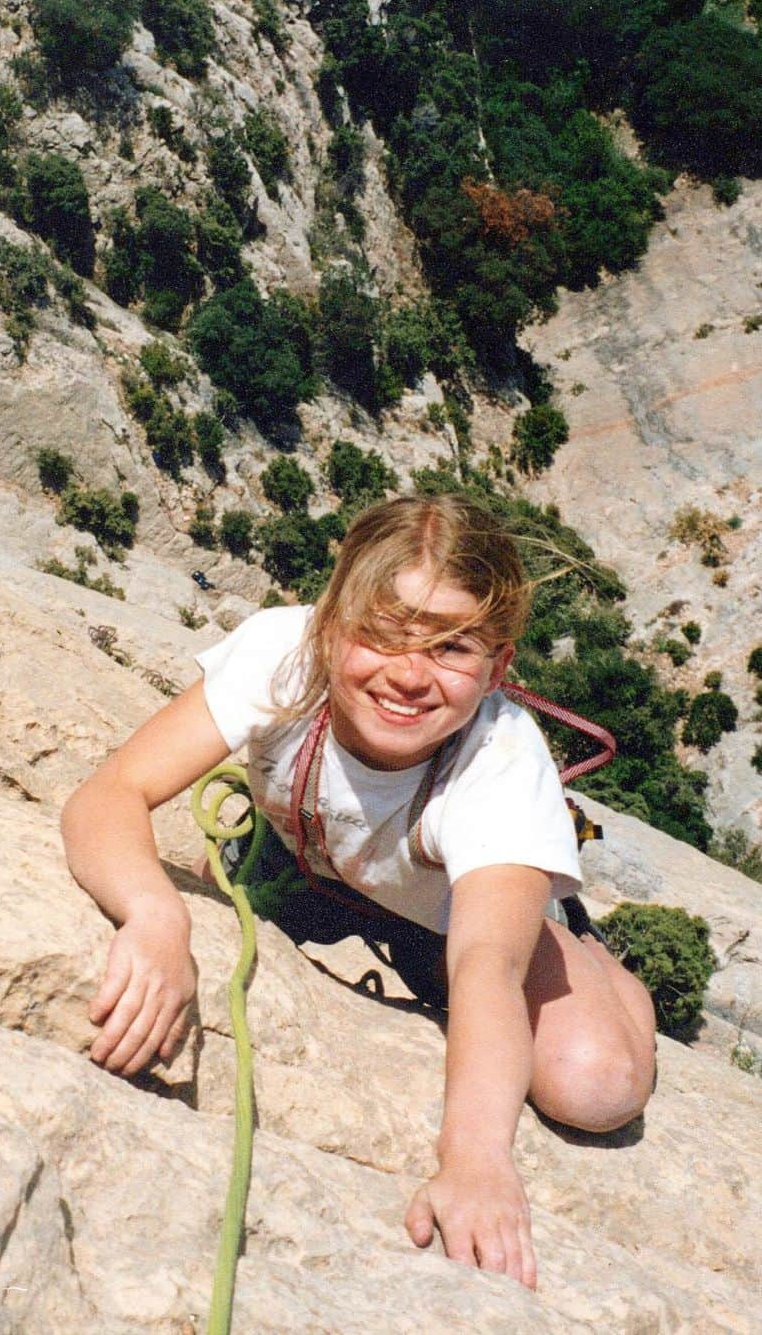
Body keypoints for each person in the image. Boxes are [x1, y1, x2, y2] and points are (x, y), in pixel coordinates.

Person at [61, 493, 656, 1291]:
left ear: (499, 669)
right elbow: (111, 793)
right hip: (304, 854)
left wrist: (474, 1160)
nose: (409, 675)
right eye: (382, 633)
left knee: (598, 1083)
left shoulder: (501, 762)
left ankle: (593, 956)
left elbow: (485, 964)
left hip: (444, 920)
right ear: (331, 622)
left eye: (452, 648)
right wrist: (154, 916)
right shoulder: (285, 652)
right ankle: (269, 863)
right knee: (221, 890)